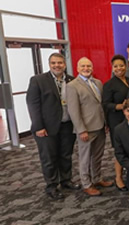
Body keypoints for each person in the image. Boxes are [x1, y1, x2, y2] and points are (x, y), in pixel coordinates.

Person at [26, 53, 79, 199]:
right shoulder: (38, 80)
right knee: (49, 158)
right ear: (49, 64)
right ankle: (51, 186)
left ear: (65, 64)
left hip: (67, 125)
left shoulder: (71, 80)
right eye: (54, 63)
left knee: (66, 155)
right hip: (46, 128)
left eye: (60, 63)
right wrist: (38, 127)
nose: (57, 65)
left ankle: (66, 180)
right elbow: (33, 105)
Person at [67, 57, 113, 196]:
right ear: (77, 68)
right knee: (85, 157)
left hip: (99, 126)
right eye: (83, 66)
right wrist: (81, 130)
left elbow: (101, 105)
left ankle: (97, 178)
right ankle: (86, 184)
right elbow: (73, 111)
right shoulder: (72, 86)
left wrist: (105, 123)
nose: (86, 69)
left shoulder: (98, 83)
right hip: (86, 129)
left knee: (98, 156)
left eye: (88, 66)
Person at [103, 54, 129, 192]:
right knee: (120, 150)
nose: (119, 68)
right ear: (112, 68)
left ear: (126, 66)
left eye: (121, 65)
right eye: (116, 66)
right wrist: (119, 106)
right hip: (117, 121)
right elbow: (105, 104)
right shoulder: (109, 84)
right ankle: (118, 178)